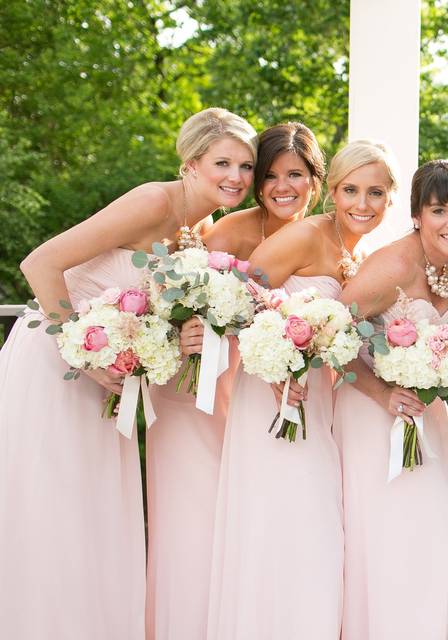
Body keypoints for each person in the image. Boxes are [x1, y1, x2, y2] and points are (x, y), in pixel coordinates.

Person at [0, 107, 255, 639]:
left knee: (96, 512)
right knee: (55, 506)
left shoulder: (202, 230)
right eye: (222, 163)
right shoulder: (153, 202)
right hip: (58, 363)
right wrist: (82, 357)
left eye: (246, 165)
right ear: (190, 163)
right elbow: (39, 265)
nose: (236, 176)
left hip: (114, 375)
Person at [205, 139, 395, 639]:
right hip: (273, 395)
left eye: (375, 193)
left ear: (390, 199)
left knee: (312, 526)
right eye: (351, 190)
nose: (362, 203)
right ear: (331, 190)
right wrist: (276, 367)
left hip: (316, 400)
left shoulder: (360, 251)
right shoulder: (306, 236)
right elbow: (236, 302)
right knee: (279, 519)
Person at [146, 121, 322, 640]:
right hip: (196, 393)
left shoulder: (329, 237)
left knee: (259, 524)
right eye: (268, 175)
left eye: (295, 174)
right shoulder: (227, 232)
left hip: (256, 397)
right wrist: (181, 334)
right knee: (197, 524)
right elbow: (170, 302)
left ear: (315, 179)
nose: (281, 186)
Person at [333, 159, 448, 639]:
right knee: (397, 538)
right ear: (417, 214)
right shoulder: (395, 263)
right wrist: (381, 391)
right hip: (374, 415)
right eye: (439, 211)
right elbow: (329, 334)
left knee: (441, 535)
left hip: (426, 415)